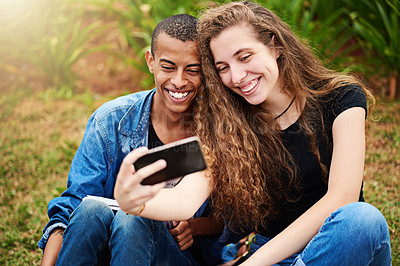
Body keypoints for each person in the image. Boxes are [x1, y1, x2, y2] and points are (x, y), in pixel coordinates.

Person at [115, 1, 392, 265]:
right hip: (271, 257)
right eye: (223, 68)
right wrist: (133, 201)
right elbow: (184, 198)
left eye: (245, 57)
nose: (236, 76)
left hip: (340, 248)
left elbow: (342, 196)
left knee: (361, 219)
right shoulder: (228, 126)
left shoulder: (341, 98)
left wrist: (253, 264)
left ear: (275, 45)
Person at [38, 14, 225, 266]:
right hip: (110, 251)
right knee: (92, 210)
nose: (179, 81)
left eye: (193, 70)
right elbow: (72, 208)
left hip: (175, 256)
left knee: (134, 216)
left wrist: (194, 226)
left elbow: (231, 218)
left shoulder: (220, 130)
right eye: (168, 67)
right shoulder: (110, 121)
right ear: (151, 61)